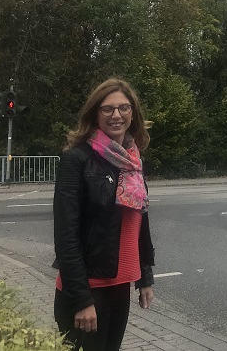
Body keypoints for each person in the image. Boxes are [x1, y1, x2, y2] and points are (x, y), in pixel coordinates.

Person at [53, 78, 156, 351]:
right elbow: (66, 235)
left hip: (120, 282)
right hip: (88, 287)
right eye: (107, 109)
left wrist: (145, 276)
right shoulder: (76, 159)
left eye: (124, 108)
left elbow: (139, 220)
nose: (116, 115)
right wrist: (81, 299)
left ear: (133, 113)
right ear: (95, 114)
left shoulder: (133, 160)